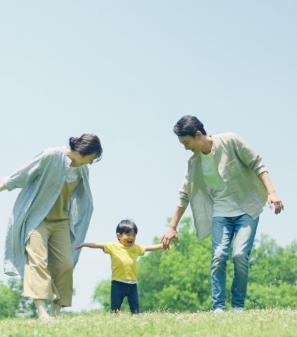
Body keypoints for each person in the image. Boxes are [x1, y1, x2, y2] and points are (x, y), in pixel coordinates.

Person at [159, 116, 284, 312]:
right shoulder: (194, 164)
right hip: (220, 213)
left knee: (240, 255)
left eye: (186, 143)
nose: (185, 148)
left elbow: (257, 162)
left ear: (198, 135)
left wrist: (272, 192)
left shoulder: (230, 141)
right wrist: (172, 227)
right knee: (218, 256)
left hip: (246, 210)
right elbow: (185, 194)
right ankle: (218, 308)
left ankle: (238, 306)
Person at [0, 135, 102, 321]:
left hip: (62, 222)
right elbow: (22, 175)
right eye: (92, 157)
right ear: (84, 150)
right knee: (37, 262)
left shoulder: (83, 171)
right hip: (37, 219)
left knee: (65, 265)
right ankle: (43, 314)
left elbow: (83, 199)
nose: (91, 162)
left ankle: (56, 315)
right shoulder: (51, 156)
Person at [76, 220, 163, 314]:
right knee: (115, 307)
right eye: (128, 234)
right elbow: (98, 245)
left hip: (132, 284)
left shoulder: (136, 248)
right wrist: (85, 244)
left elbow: (148, 248)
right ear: (119, 235)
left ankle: (137, 321)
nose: (131, 238)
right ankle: (113, 321)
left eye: (134, 235)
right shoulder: (113, 246)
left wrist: (161, 246)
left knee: (135, 307)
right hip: (118, 283)